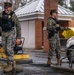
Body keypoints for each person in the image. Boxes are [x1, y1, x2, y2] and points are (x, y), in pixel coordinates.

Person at [0, 2, 21, 72]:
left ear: (10, 8)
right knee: (5, 50)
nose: (7, 10)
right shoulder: (1, 14)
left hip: (11, 33)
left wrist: (18, 37)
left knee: (9, 49)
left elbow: (18, 26)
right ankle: (13, 61)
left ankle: (9, 65)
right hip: (3, 34)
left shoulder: (13, 15)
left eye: (8, 8)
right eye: (5, 8)